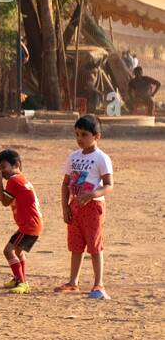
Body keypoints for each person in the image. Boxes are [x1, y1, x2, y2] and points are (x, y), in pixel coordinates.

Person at [55, 114, 113, 300]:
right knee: (76, 246)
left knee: (94, 246)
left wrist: (92, 194)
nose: (80, 139)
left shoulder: (101, 158)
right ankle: (73, 282)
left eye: (84, 135)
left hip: (93, 208)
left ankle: (99, 284)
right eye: (77, 134)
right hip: (75, 207)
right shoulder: (73, 157)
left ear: (96, 136)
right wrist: (65, 207)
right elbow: (65, 184)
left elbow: (108, 185)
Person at [0, 149, 42, 294]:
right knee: (18, 251)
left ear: (16, 164)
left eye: (4, 166)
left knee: (8, 251)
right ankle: (18, 278)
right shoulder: (20, 178)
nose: (2, 171)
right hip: (32, 223)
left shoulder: (14, 180)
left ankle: (22, 282)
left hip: (29, 225)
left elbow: (5, 202)